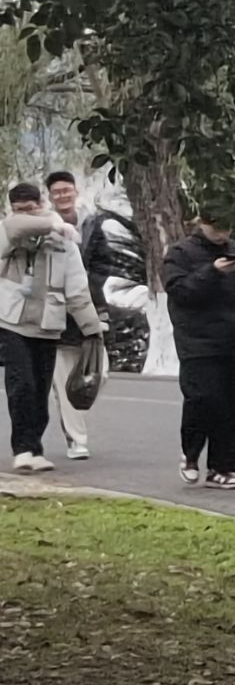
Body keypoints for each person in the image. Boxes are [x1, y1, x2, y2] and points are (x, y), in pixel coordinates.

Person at [2, 182, 104, 472]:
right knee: (21, 385)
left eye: (30, 209)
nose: (24, 215)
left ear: (41, 204)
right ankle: (22, 448)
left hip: (48, 324)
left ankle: (35, 448)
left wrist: (91, 327)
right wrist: (51, 224)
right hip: (12, 322)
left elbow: (78, 289)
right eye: (19, 210)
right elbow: (15, 228)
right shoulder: (8, 232)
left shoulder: (64, 241)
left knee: (39, 390)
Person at [162, 206, 235, 490]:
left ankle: (222, 468)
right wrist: (212, 271)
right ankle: (191, 454)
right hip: (196, 339)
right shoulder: (181, 253)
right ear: (202, 223)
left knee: (231, 404)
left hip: (230, 338)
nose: (222, 235)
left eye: (227, 228)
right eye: (216, 228)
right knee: (203, 398)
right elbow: (179, 291)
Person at [41, 171, 100, 461]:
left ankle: (77, 409)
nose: (63, 195)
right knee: (65, 378)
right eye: (57, 192)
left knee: (99, 373)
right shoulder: (44, 227)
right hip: (58, 313)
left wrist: (93, 291)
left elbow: (104, 263)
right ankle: (77, 440)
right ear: (50, 196)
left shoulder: (93, 225)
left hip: (89, 308)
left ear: (75, 191)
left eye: (67, 190)